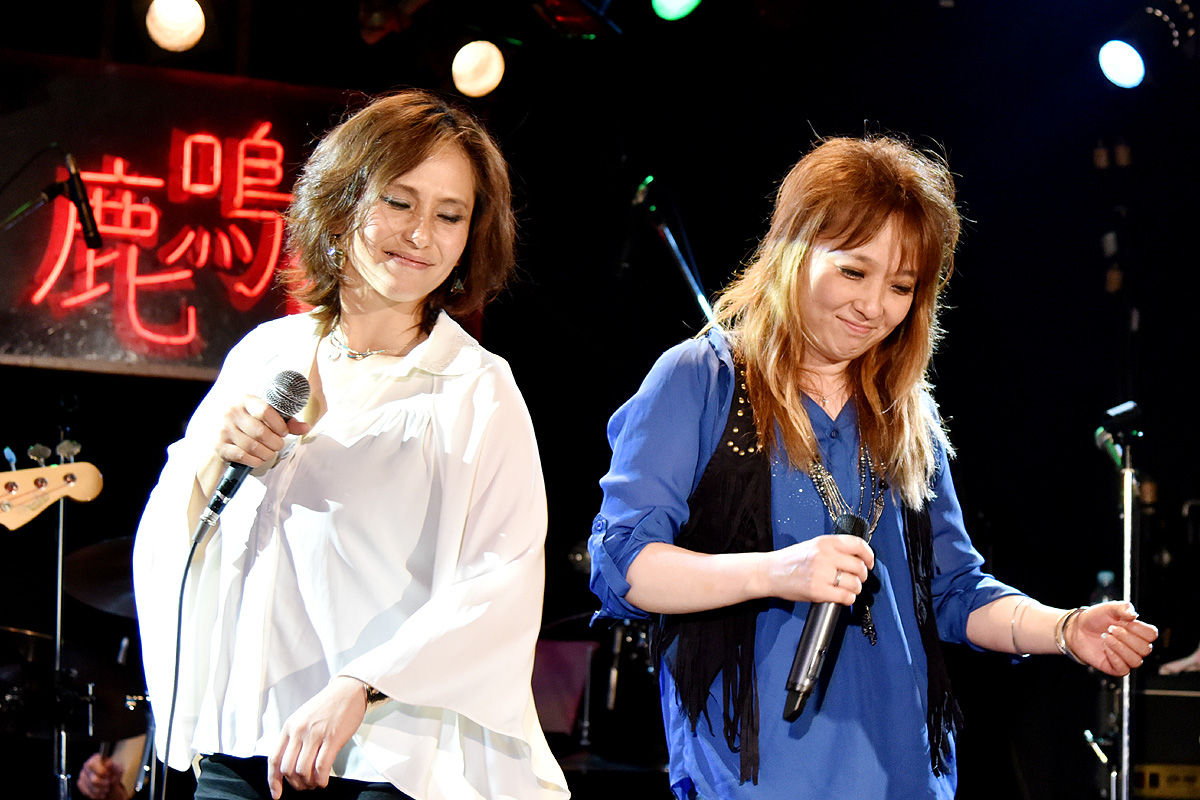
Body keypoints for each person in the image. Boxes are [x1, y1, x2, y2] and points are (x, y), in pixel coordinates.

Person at [587, 135, 1159, 799]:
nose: (874, 306)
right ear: (793, 249)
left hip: (904, 776)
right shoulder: (704, 378)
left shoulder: (905, 415)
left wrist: (1062, 628)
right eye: (854, 272)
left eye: (901, 286)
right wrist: (776, 571)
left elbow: (954, 591)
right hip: (755, 777)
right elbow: (623, 563)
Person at [133, 89, 568, 800]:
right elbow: (171, 536)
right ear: (341, 203)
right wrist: (215, 448)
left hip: (386, 756)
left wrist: (361, 685)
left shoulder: (476, 388)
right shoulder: (266, 353)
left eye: (450, 215)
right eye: (399, 202)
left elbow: (503, 580)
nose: (420, 233)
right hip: (245, 741)